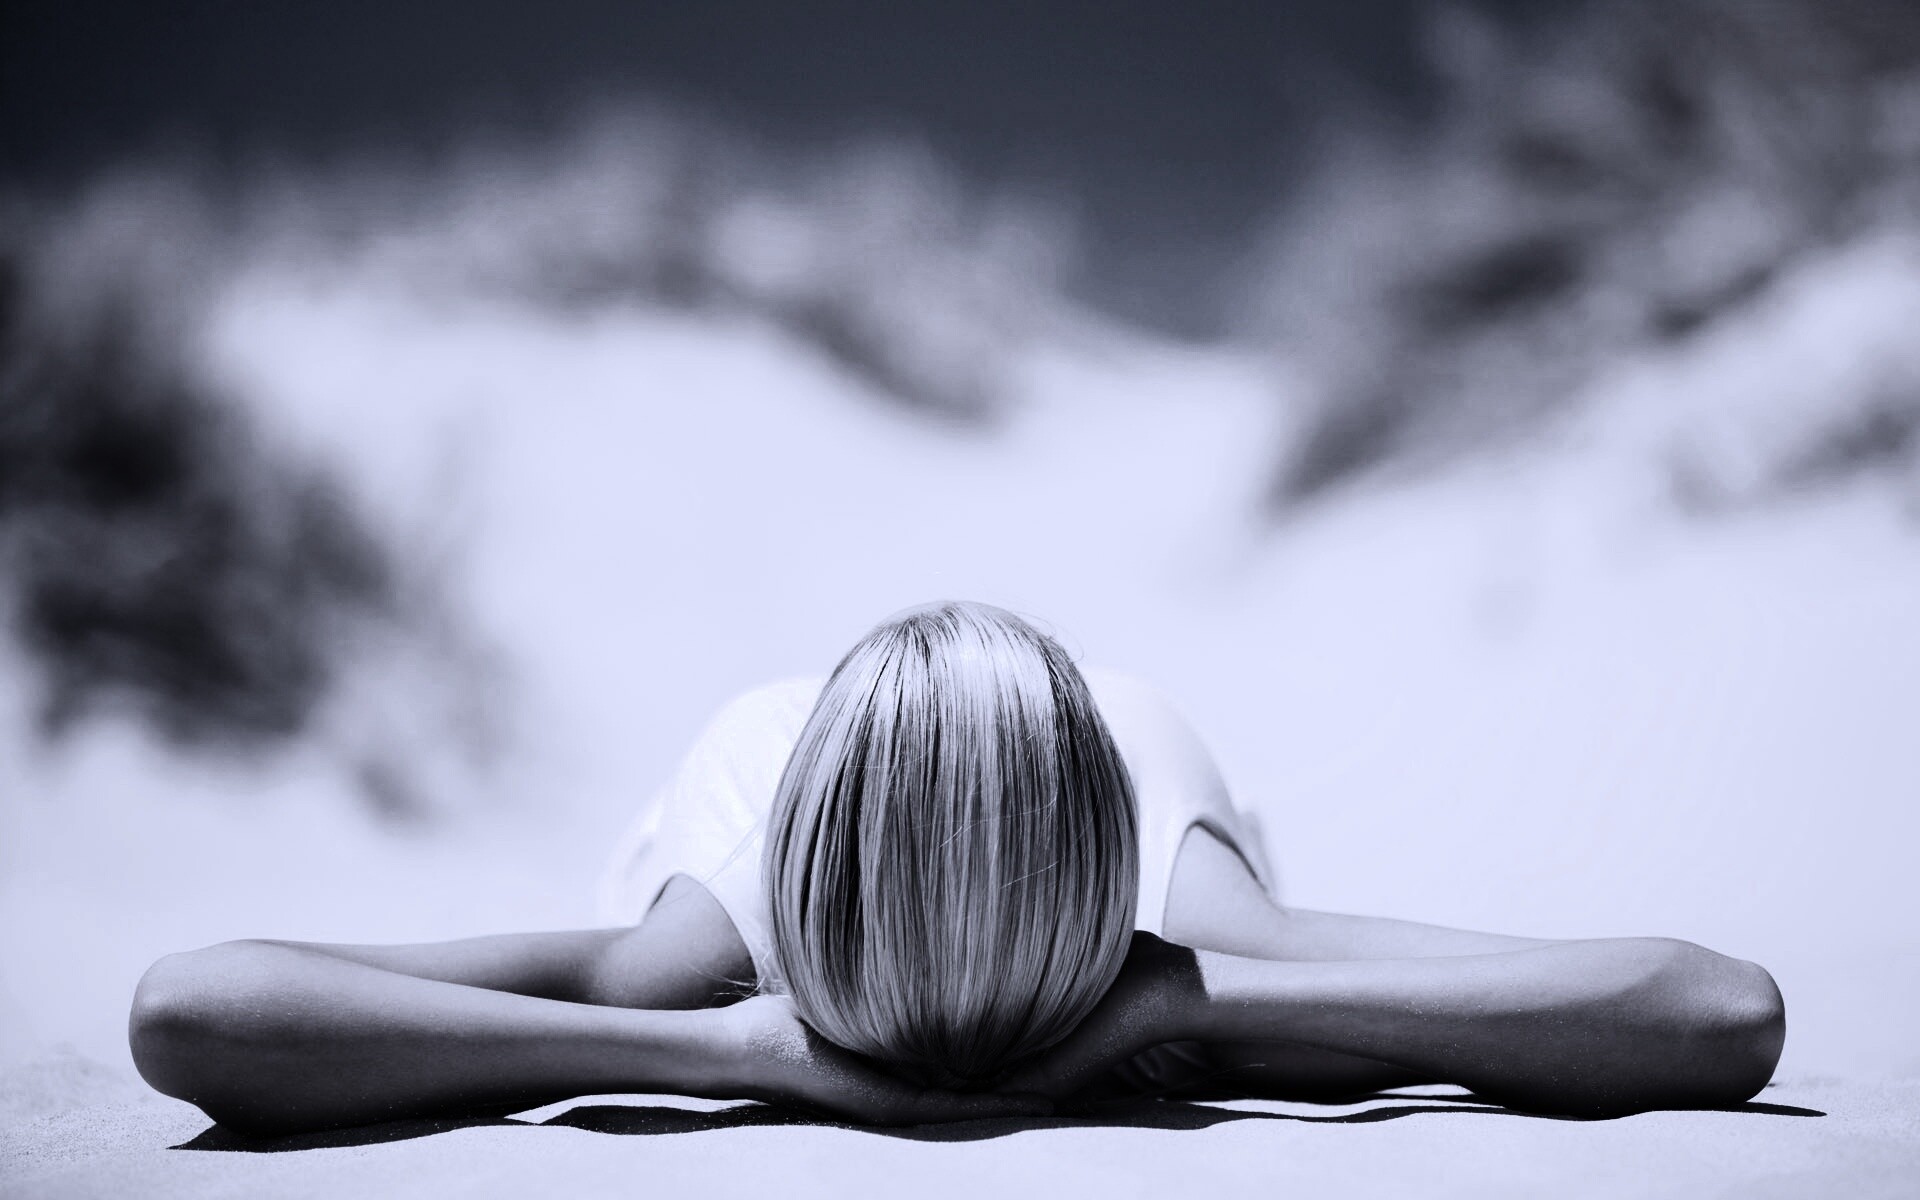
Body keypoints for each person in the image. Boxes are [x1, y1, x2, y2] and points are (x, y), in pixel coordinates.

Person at [129, 602, 1786, 1135]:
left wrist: (1179, 995)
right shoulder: (724, 930)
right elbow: (190, 1012)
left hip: (1072, 777)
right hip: (844, 797)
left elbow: (1721, 1012)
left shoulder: (1177, 910)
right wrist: (724, 1043)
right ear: (805, 967)